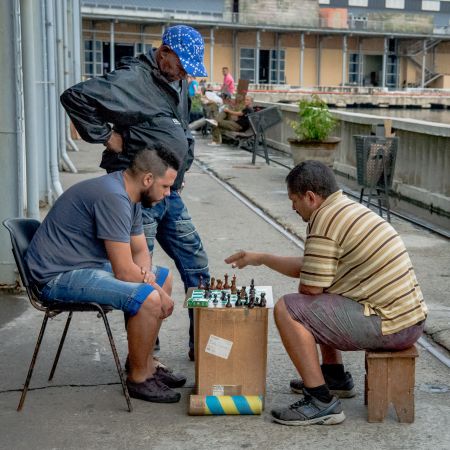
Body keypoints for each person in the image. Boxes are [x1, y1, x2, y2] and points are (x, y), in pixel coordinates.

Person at [225, 160, 427, 426]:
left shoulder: (325, 220)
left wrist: (306, 289)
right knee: (321, 298)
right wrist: (261, 258)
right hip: (406, 319)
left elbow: (309, 289)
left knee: (290, 309)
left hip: (390, 324)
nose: (292, 207)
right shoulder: (343, 209)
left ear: (310, 197)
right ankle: (334, 377)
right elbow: (313, 268)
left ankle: (321, 401)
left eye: (294, 200)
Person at [60, 25, 210, 361]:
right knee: (142, 277)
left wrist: (182, 163)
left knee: (197, 266)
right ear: (163, 52)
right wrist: (106, 136)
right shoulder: (133, 79)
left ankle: (203, 346)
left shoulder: (180, 79)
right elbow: (75, 97)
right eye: (180, 63)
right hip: (137, 198)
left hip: (169, 194)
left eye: (189, 66)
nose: (185, 71)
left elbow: (178, 126)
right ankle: (145, 358)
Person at [25, 148, 187, 403]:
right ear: (147, 179)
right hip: (57, 276)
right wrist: (154, 291)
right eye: (166, 186)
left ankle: (144, 362)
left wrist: (152, 280)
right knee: (150, 298)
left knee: (163, 278)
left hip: (84, 265)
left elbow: (140, 250)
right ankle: (139, 378)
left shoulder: (129, 195)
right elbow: (124, 270)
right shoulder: (113, 197)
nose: (168, 194)